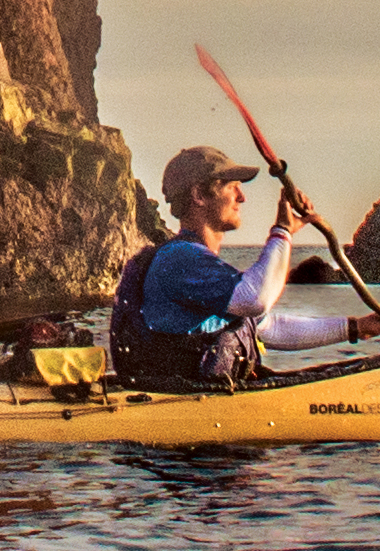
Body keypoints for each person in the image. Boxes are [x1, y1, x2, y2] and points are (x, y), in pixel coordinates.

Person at [111, 144, 336, 394]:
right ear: (199, 195)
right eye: (231, 186)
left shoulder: (201, 265)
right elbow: (256, 299)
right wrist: (282, 231)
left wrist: (358, 328)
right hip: (183, 403)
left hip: (209, 394)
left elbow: (269, 328)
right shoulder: (180, 259)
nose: (242, 197)